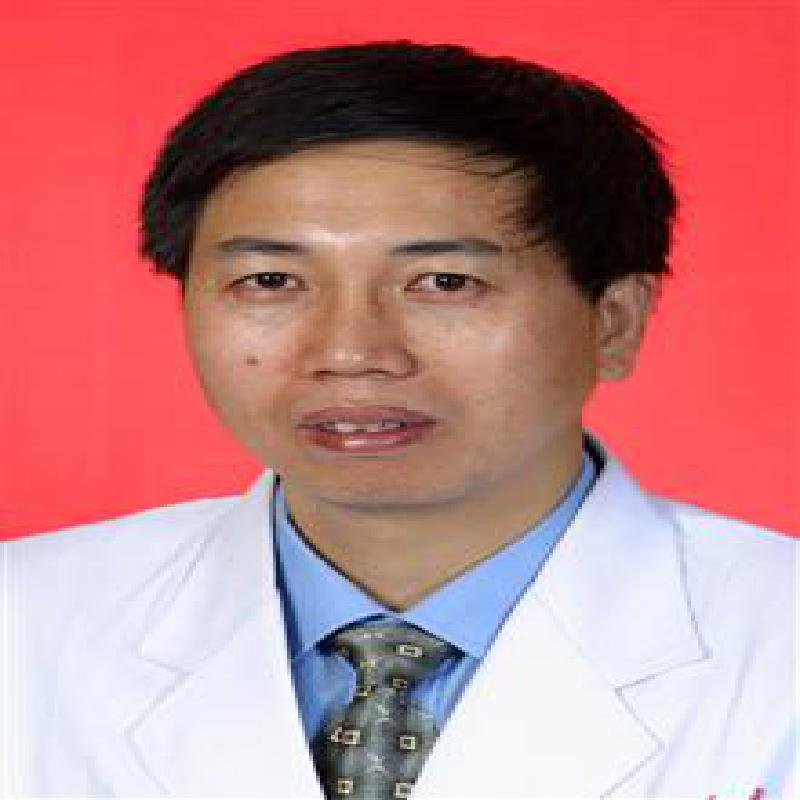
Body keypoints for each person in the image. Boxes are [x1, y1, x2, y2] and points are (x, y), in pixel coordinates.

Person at [2, 41, 796, 800]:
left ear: (614, 321)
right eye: (271, 280)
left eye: (444, 282)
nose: (350, 353)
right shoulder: (25, 619)